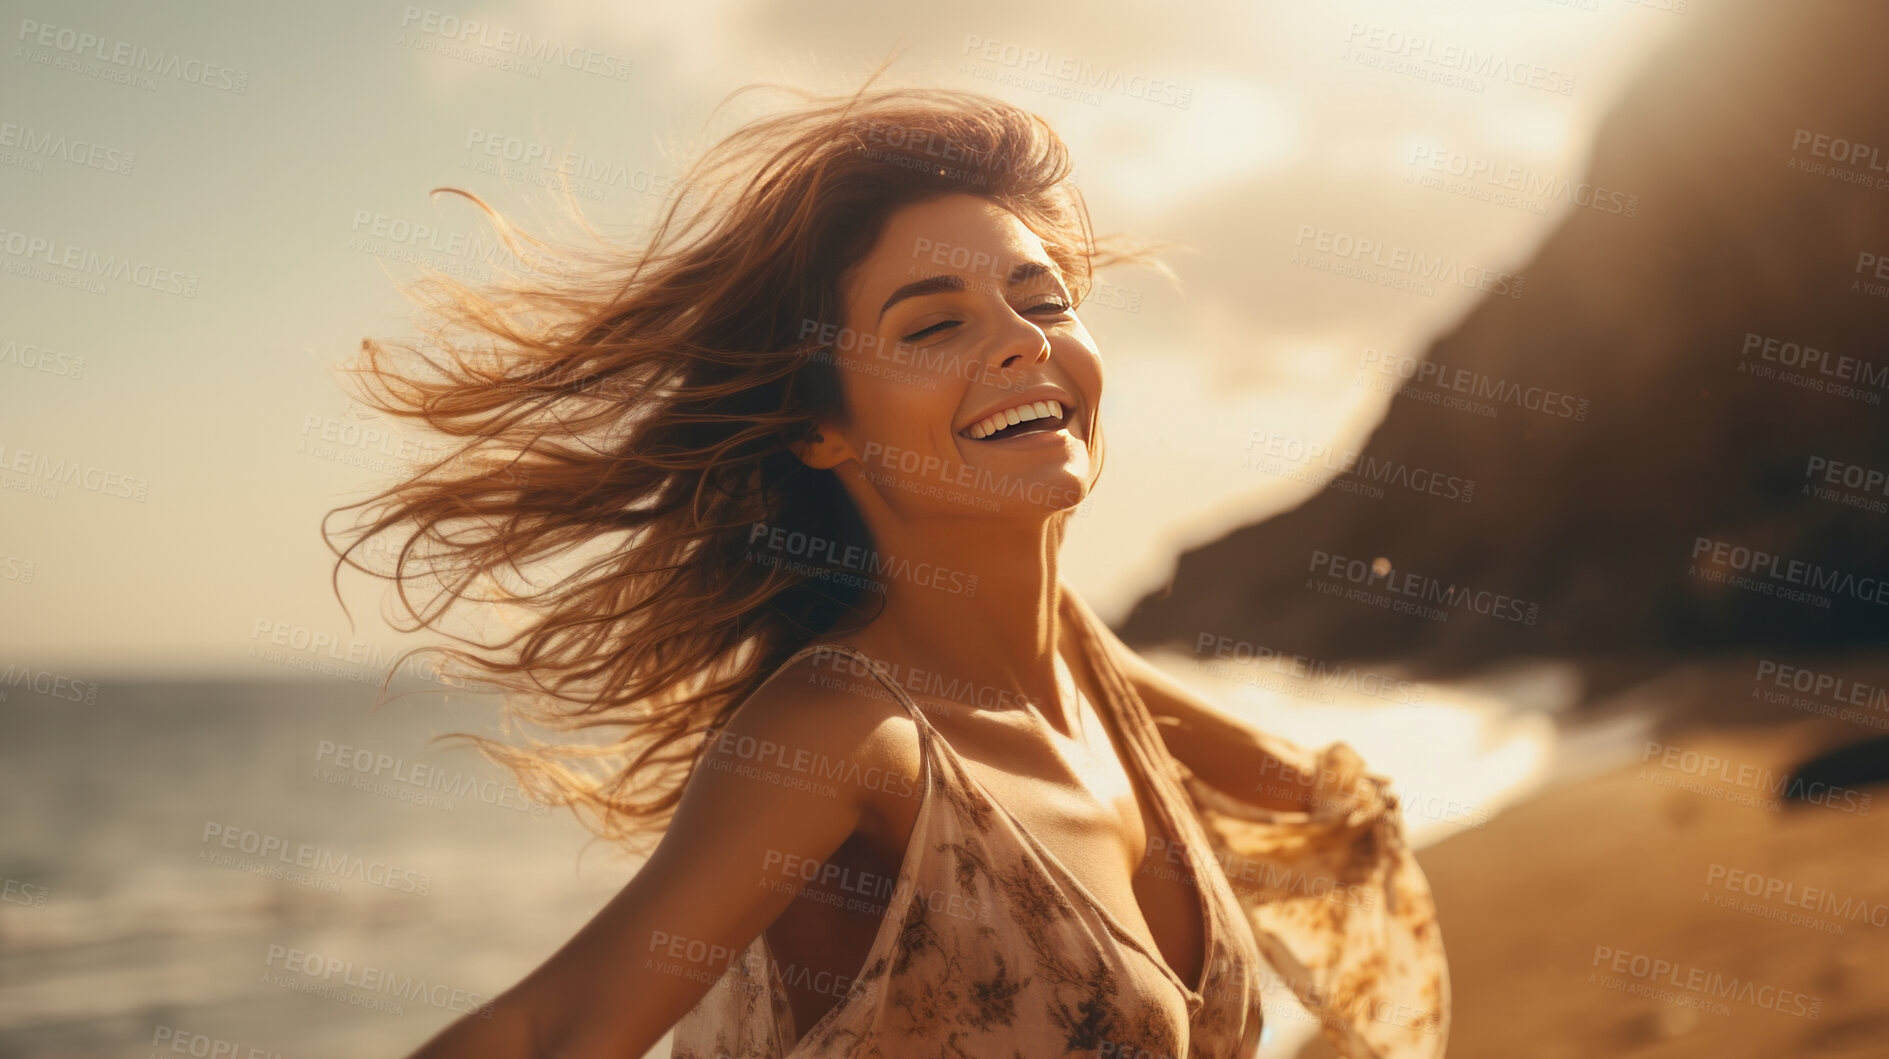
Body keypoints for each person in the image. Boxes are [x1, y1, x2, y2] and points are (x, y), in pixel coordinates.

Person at [327, 69, 1448, 1059]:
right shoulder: (840, 737)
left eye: (1041, 297)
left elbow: (1305, 802)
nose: (1021, 337)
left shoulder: (1085, 681)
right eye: (929, 326)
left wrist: (1341, 801)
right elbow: (550, 1031)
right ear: (824, 430)